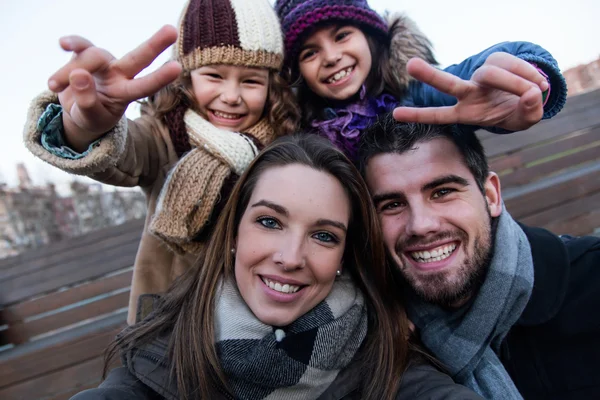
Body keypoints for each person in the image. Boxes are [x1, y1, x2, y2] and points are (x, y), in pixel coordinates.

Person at [70, 134, 483, 400]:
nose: (290, 257)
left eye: (324, 236)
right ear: (234, 233)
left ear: (344, 257)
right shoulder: (155, 359)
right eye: (269, 222)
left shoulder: (384, 359)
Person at [23, 0, 300, 325]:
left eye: (251, 81)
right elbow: (125, 152)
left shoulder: (287, 148)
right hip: (168, 327)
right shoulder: (163, 137)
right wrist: (85, 128)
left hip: (266, 327)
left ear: (272, 86)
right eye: (214, 75)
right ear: (186, 77)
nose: (231, 95)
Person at [357, 115, 600, 400]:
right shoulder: (380, 336)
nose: (421, 225)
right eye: (393, 205)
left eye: (443, 192)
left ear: (491, 196)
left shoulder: (592, 281)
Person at [275, 0, 567, 160]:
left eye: (341, 36)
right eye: (309, 53)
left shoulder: (420, 96)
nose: (330, 57)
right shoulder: (303, 138)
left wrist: (526, 80)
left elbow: (471, 76)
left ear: (371, 37)